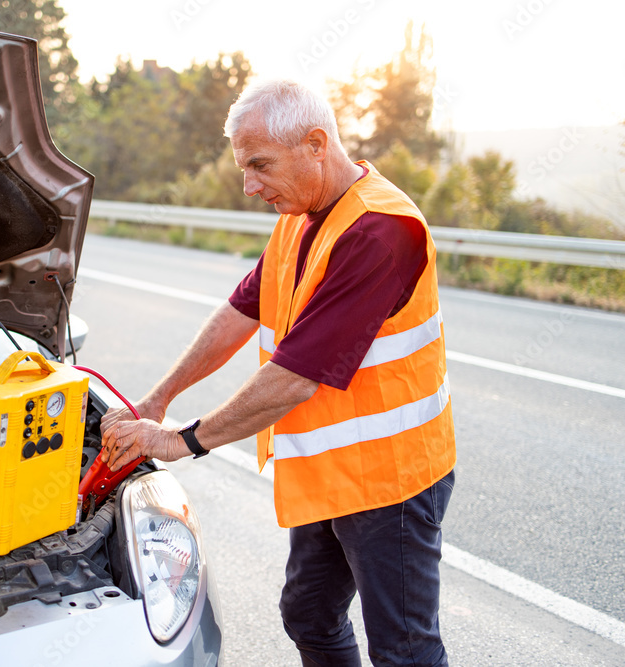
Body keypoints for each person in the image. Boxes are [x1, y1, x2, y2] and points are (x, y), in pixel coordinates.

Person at [100, 79, 456, 667]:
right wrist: (157, 399)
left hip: (390, 479)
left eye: (259, 165)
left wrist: (182, 440)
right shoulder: (299, 213)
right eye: (244, 167)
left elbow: (295, 378)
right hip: (331, 471)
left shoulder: (381, 231)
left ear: (316, 144)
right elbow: (242, 310)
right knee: (308, 614)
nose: (249, 186)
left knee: (405, 650)